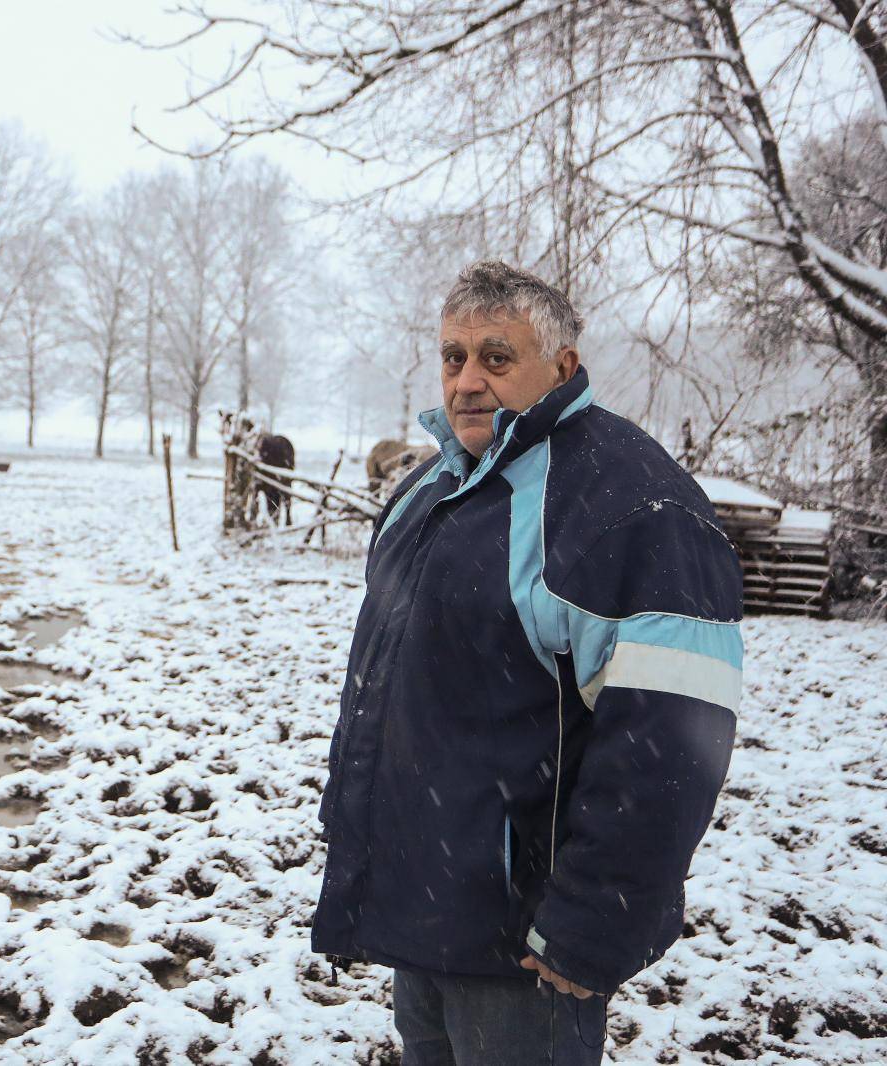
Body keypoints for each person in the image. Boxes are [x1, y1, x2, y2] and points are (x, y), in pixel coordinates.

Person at [313, 261, 743, 1064]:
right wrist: (356, 836)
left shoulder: (628, 508)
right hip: (423, 904)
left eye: (497, 358)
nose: (468, 381)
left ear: (564, 367)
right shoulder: (430, 489)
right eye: (453, 357)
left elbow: (672, 743)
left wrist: (592, 921)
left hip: (525, 943)